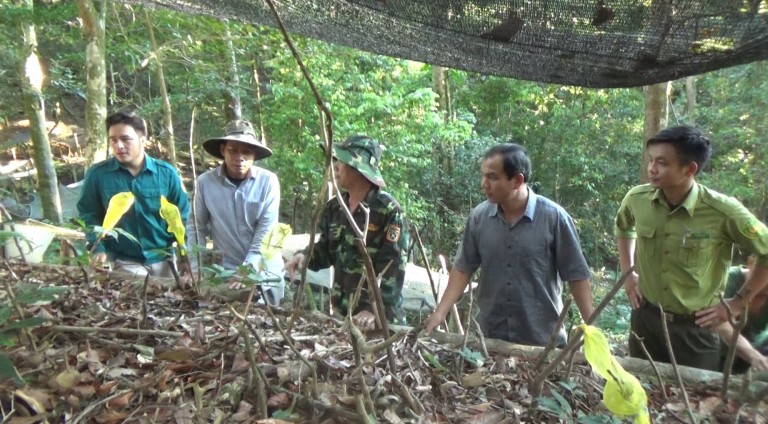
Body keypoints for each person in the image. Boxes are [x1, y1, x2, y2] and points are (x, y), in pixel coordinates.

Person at [615, 125, 768, 371]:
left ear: (690, 168)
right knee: (639, 389)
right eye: (651, 160)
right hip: (646, 319)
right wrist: (628, 272)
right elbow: (623, 227)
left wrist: (737, 303)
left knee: (692, 402)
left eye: (662, 163)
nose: (652, 168)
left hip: (695, 330)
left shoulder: (722, 211)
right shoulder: (637, 199)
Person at [425, 143, 594, 347]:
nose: (484, 184)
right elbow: (462, 269)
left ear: (517, 180)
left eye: (492, 177)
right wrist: (440, 313)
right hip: (489, 341)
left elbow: (576, 275)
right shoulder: (480, 218)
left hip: (541, 343)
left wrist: (592, 329)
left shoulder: (554, 218)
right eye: (484, 176)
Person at [284, 135, 408, 329]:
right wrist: (303, 256)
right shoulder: (335, 208)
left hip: (380, 322)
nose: (336, 166)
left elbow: (393, 267)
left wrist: (374, 309)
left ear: (358, 168)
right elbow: (325, 250)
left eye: (341, 161)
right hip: (344, 314)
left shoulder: (388, 210)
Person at [183, 119, 284, 304]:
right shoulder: (205, 183)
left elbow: (266, 231)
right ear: (223, 150)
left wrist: (247, 269)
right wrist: (197, 267)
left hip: (265, 271)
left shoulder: (268, 182)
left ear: (254, 154)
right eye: (233, 150)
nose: (240, 157)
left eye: (246, 151)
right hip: (225, 271)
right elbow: (196, 227)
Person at [77, 111, 189, 277]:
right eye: (113, 140)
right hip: (124, 260)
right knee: (137, 298)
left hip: (164, 259)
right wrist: (97, 248)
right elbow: (88, 214)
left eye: (125, 139)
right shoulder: (98, 175)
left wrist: (185, 256)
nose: (118, 146)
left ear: (143, 140)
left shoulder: (166, 174)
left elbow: (183, 217)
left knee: (171, 300)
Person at [695, 236, 768, 372]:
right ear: (752, 263)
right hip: (711, 347)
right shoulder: (724, 281)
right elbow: (723, 326)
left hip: (755, 347)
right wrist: (752, 355)